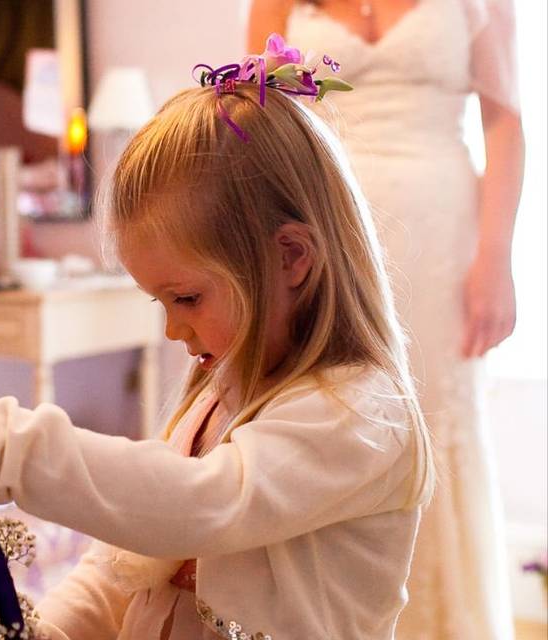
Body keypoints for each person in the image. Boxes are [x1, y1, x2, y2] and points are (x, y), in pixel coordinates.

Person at [0, 37, 434, 639]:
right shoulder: (217, 399)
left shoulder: (361, 415)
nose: (172, 328)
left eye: (186, 297)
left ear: (290, 256)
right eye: (160, 301)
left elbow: (193, 506)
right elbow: (120, 573)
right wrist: (38, 631)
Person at [248, 2, 525, 637]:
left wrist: (496, 257)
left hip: (442, 234)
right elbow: (256, 115)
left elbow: (505, 120)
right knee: (330, 412)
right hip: (320, 234)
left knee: (434, 419)